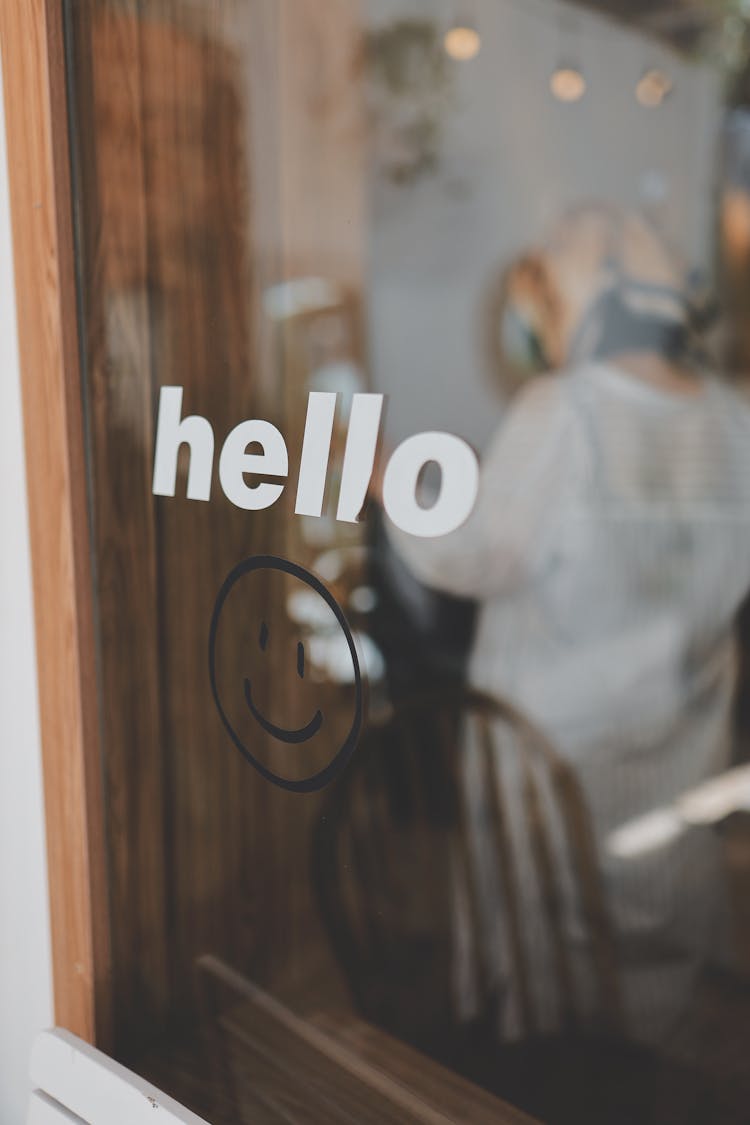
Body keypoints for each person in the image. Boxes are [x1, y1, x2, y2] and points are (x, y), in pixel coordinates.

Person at [381, 203, 750, 1045]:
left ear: (576, 299)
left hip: (558, 763)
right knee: (656, 985)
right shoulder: (734, 422)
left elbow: (473, 553)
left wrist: (389, 476)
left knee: (564, 999)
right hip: (676, 758)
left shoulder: (567, 411)